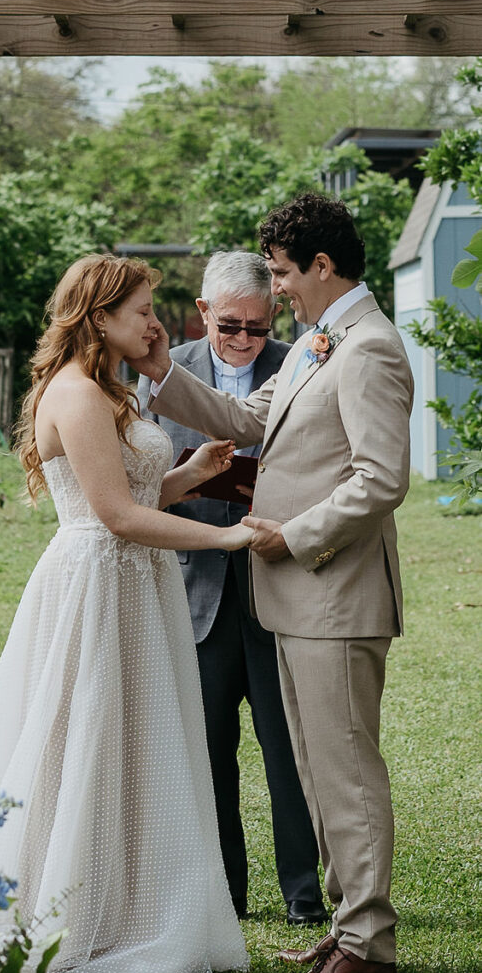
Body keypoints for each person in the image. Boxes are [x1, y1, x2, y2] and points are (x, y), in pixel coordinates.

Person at [0, 254, 252, 973]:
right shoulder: (77, 394)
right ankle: (65, 909)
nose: (156, 325)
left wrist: (191, 477)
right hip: (96, 585)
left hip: (132, 582)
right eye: (144, 311)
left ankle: (121, 905)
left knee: (128, 738)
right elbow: (112, 516)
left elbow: (133, 491)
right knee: (77, 736)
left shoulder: (110, 390)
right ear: (100, 316)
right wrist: (226, 535)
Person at [131, 194, 414, 973]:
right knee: (321, 772)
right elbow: (245, 419)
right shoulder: (315, 347)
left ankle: (368, 945)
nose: (277, 292)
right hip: (294, 598)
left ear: (321, 266)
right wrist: (160, 372)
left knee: (345, 772)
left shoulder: (368, 350)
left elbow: (381, 479)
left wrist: (289, 534)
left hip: (335, 594)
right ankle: (344, 932)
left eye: (285, 275)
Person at [137, 251, 325, 926]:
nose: (244, 338)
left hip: (280, 582)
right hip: (196, 590)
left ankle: (305, 899)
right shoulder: (163, 370)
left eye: (256, 326)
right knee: (207, 755)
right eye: (229, 327)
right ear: (202, 314)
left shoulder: (302, 362)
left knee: (288, 751)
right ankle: (225, 897)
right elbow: (139, 474)